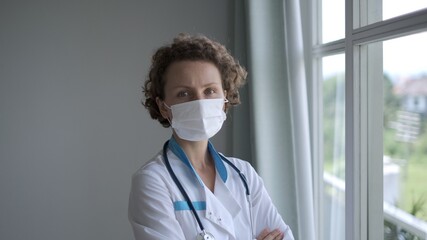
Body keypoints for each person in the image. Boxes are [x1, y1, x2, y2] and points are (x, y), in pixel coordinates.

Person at [128, 33, 294, 240]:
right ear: (163, 107)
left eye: (210, 91)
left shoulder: (244, 175)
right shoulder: (152, 181)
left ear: (225, 98)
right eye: (184, 93)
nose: (199, 102)